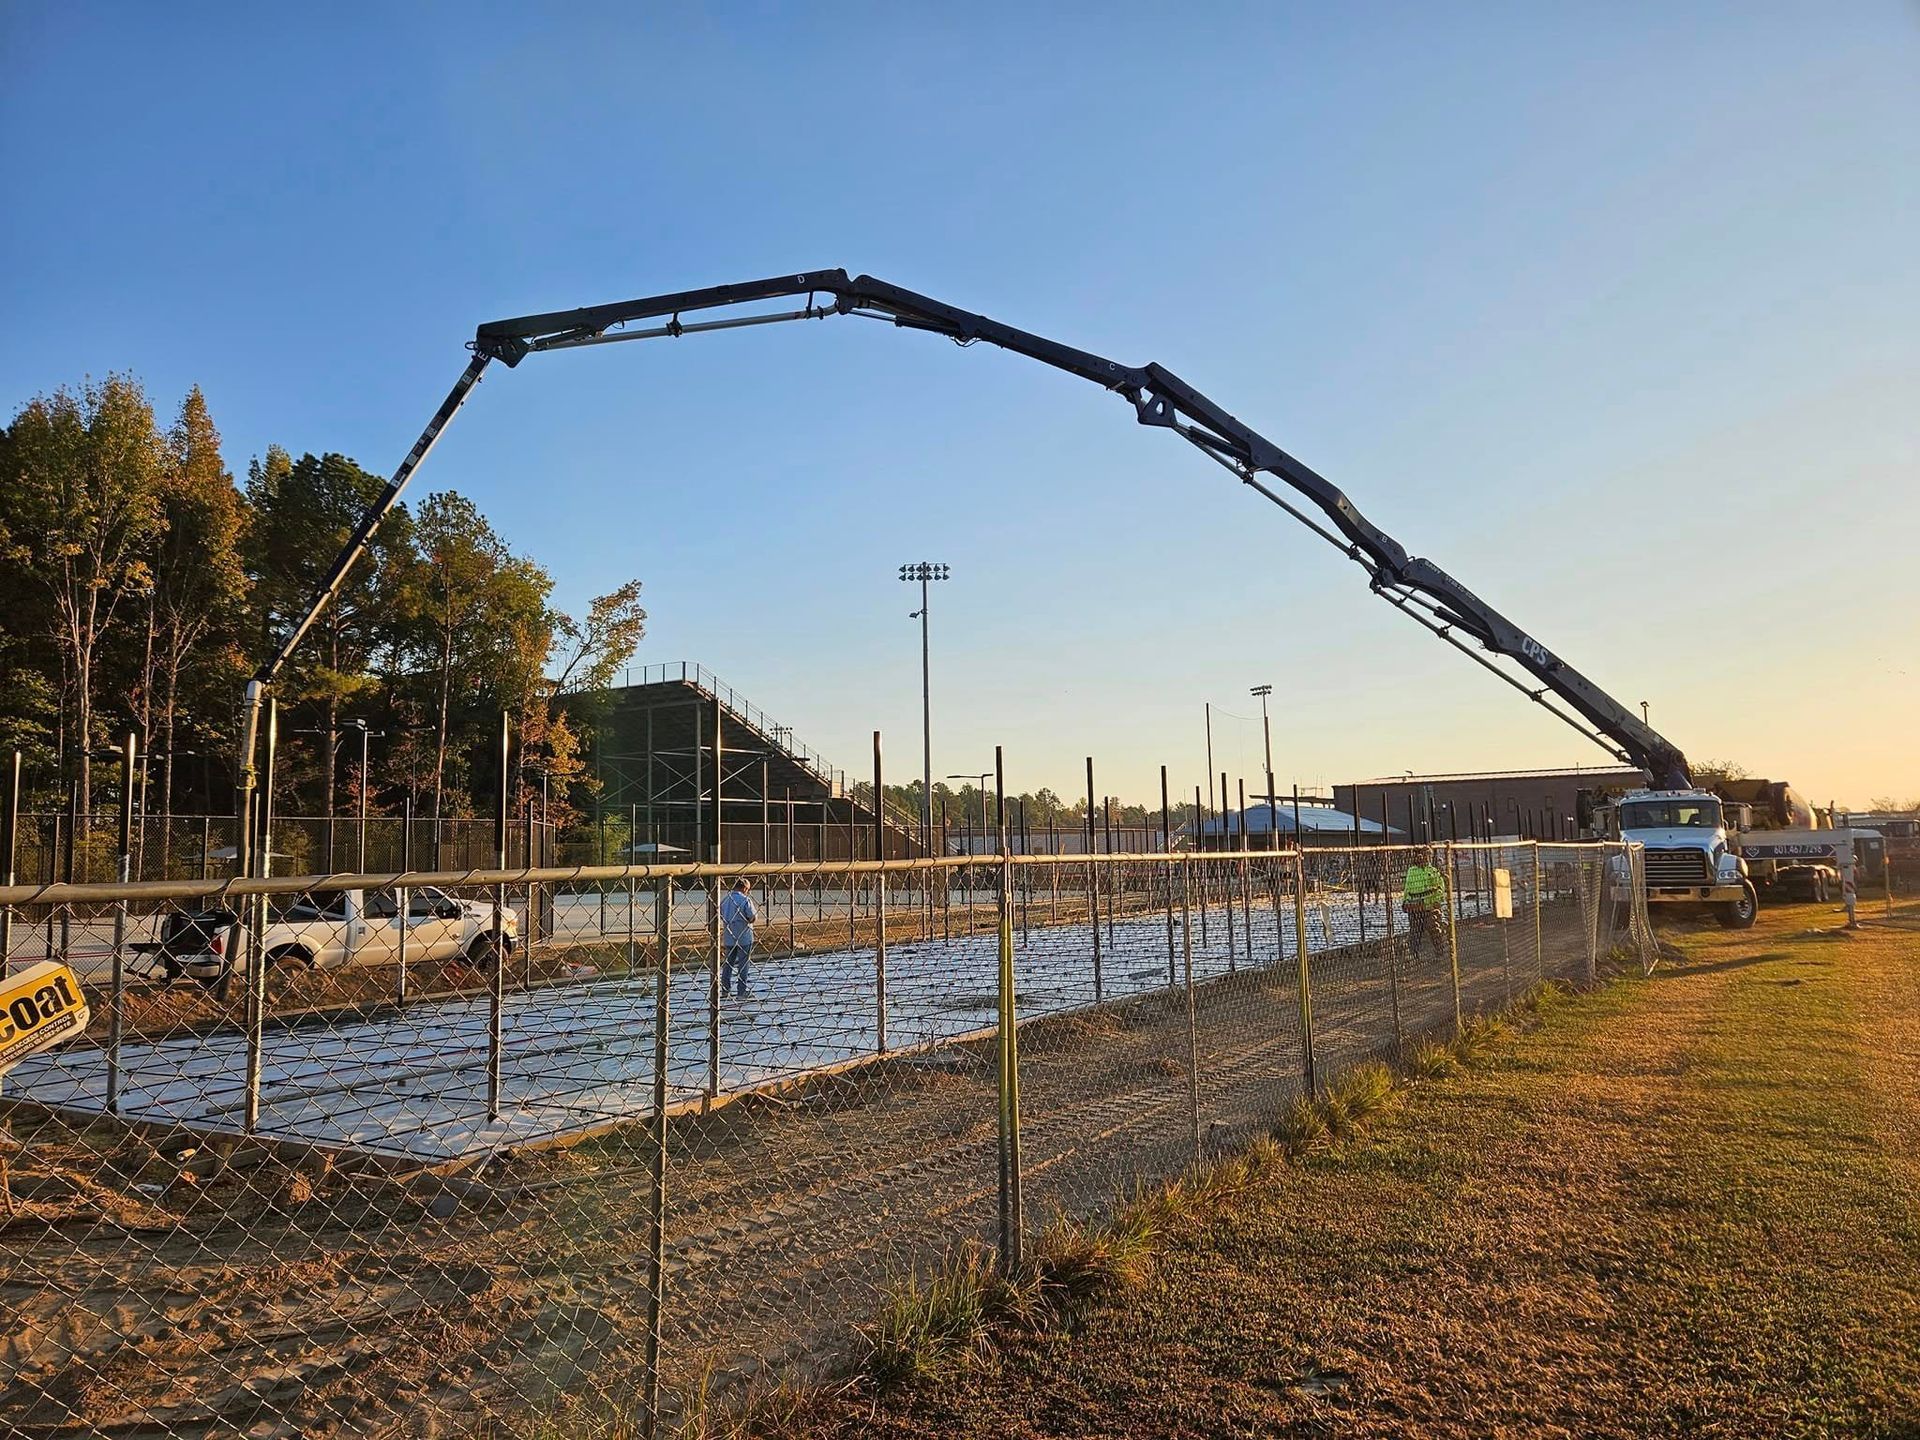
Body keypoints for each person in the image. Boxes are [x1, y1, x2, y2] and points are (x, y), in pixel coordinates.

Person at [1402, 847, 1448, 959]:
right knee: (1415, 931)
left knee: (1434, 929)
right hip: (1415, 906)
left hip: (1430, 906)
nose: (1424, 857)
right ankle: (1414, 954)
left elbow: (1440, 888)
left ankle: (1439, 951)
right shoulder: (1412, 871)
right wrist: (1405, 901)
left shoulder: (1433, 871)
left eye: (1427, 855)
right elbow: (1408, 888)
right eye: (1421, 855)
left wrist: (1437, 901)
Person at [719, 877, 759, 998]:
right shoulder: (745, 900)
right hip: (744, 936)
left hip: (729, 936)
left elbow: (721, 915)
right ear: (745, 888)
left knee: (728, 964)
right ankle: (741, 992)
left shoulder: (726, 900)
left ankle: (725, 990)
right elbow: (752, 916)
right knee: (743, 964)